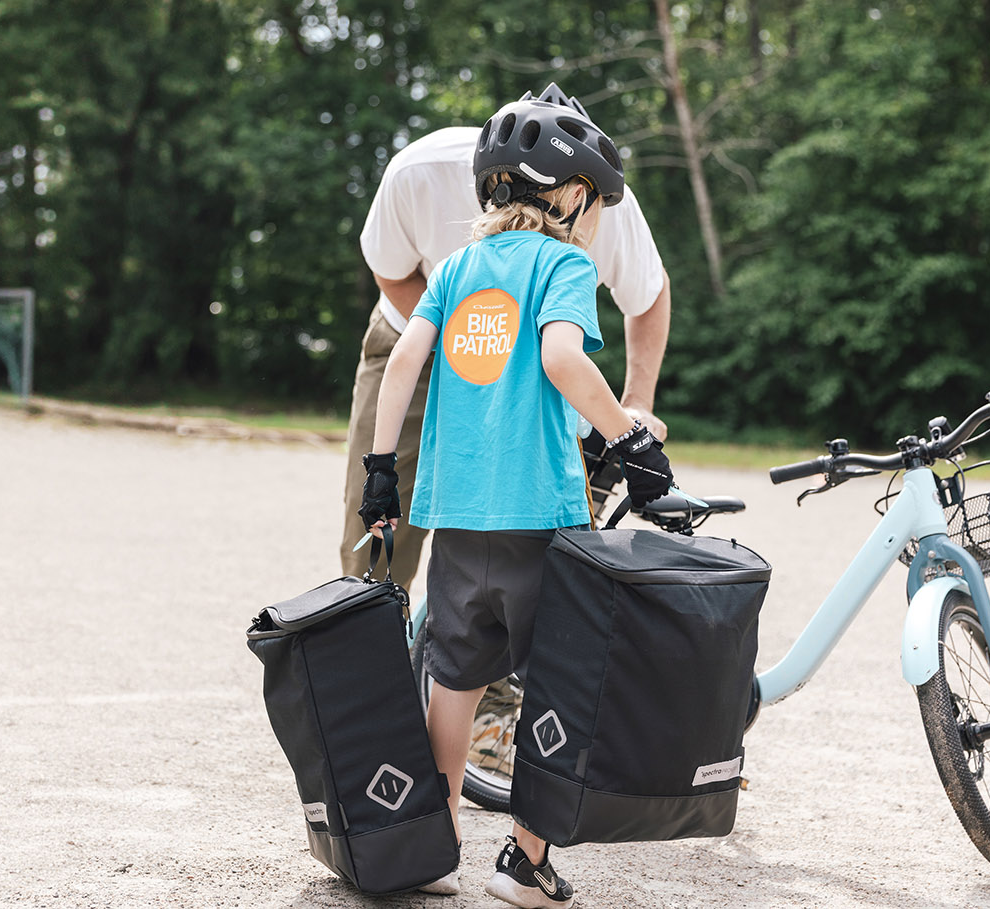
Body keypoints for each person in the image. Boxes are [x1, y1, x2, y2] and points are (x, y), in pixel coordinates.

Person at [357, 88, 677, 908]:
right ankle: (524, 860)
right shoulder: (565, 265)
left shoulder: (458, 268)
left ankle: (435, 842)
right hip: (540, 517)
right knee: (558, 686)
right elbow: (566, 361)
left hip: (458, 518)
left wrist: (381, 471)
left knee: (452, 680)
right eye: (597, 199)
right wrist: (629, 436)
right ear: (571, 194)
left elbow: (401, 365)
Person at [342, 83, 673, 588]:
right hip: (417, 328)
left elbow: (647, 297)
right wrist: (633, 442)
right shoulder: (420, 171)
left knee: (486, 535)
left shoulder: (611, 208)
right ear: (577, 194)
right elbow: (392, 276)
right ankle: (375, 633)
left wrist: (638, 402)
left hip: (526, 347)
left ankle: (462, 653)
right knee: (383, 541)